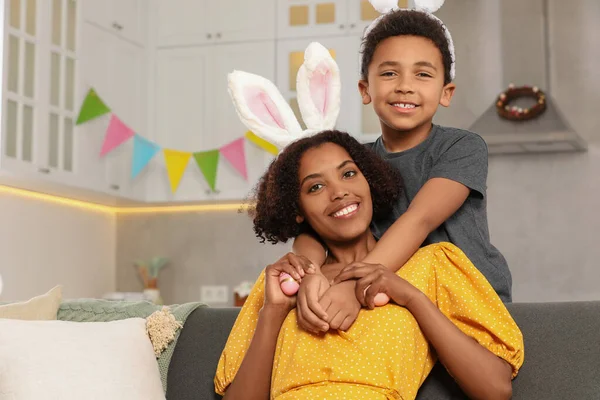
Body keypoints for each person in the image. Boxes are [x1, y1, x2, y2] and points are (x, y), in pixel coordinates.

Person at [214, 130, 524, 400]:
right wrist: (274, 312)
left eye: (348, 174)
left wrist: (411, 296)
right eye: (315, 188)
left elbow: (495, 390)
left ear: (370, 182)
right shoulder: (283, 281)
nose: (339, 192)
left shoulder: (432, 265)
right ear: (297, 211)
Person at [292, 0, 513, 338]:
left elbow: (419, 219)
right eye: (389, 73)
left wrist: (352, 286)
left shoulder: (462, 147)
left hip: (471, 303)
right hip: (396, 307)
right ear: (365, 89)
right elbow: (312, 225)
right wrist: (310, 272)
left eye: (422, 74)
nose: (404, 86)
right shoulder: (354, 162)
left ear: (446, 92)